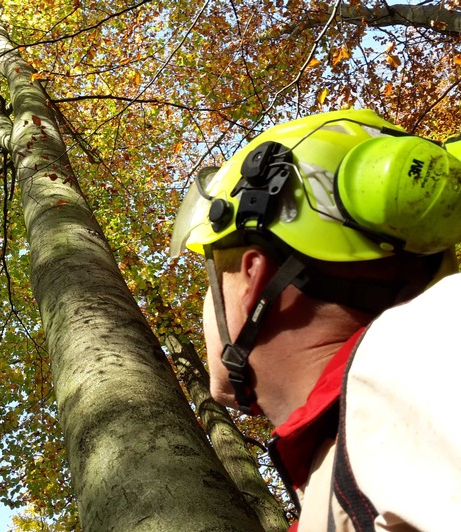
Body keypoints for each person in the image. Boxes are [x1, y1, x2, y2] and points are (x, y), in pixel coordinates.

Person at [170, 109, 461, 531]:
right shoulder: (352, 454)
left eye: (213, 279)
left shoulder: (424, 354)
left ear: (254, 276)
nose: (204, 307)